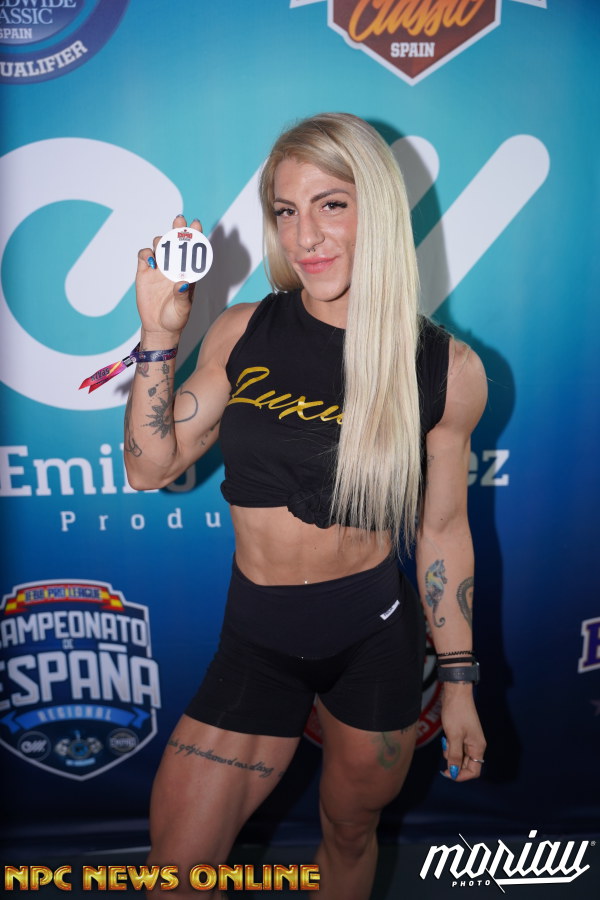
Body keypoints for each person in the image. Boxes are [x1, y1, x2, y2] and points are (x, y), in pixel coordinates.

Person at [124, 112, 487, 899]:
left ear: (377, 210)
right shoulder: (242, 331)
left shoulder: (447, 369)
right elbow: (150, 468)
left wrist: (458, 683)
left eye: (332, 205)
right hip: (256, 642)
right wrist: (158, 335)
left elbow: (442, 529)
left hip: (373, 642)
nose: (305, 237)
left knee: (349, 833)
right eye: (286, 211)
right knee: (176, 875)